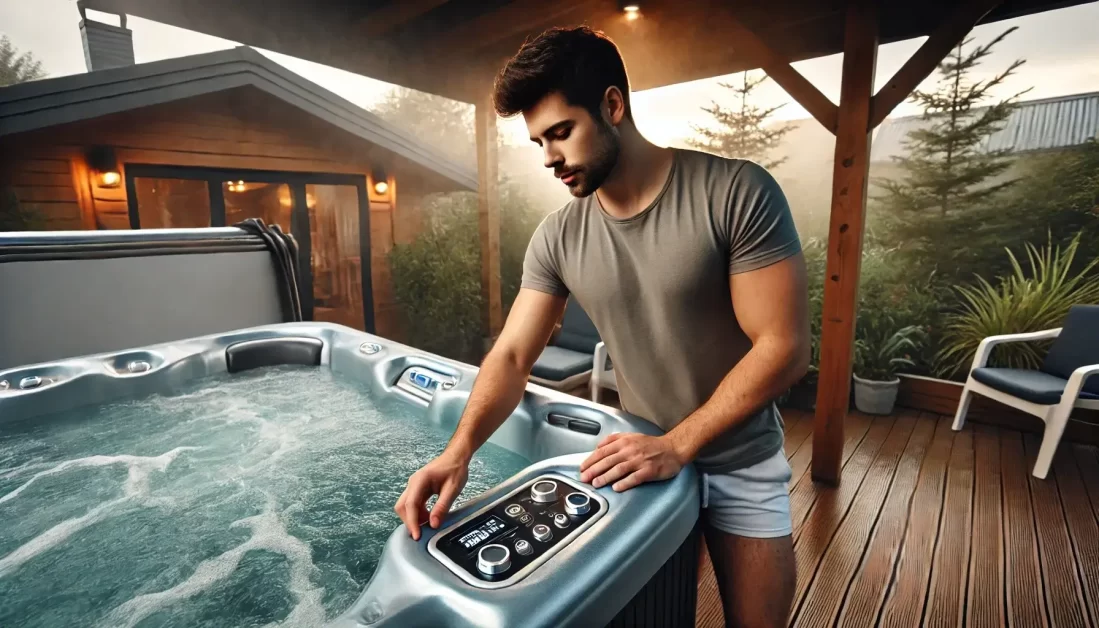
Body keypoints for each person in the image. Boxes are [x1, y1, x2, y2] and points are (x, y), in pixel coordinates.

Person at [394, 26, 809, 627]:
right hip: (640, 463)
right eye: (538, 141)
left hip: (740, 462)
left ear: (613, 105)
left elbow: (786, 346)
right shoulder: (559, 236)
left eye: (561, 133)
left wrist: (678, 444)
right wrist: (458, 452)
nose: (548, 158)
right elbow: (512, 356)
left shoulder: (735, 193)